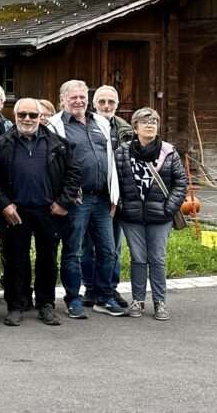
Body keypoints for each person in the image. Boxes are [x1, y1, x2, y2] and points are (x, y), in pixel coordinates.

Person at [0, 98, 81, 326]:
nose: (27, 119)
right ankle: (15, 305)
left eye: (33, 115)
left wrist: (63, 203)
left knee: (48, 260)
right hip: (16, 211)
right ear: (15, 116)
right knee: (15, 260)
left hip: (48, 211)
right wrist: (4, 204)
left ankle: (46, 305)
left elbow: (73, 175)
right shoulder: (2, 143)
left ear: (41, 116)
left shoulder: (58, 144)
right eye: (22, 114)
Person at [47, 80, 124, 318]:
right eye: (73, 97)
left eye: (82, 96)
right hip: (76, 200)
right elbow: (52, 166)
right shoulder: (54, 126)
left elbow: (110, 160)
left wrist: (114, 195)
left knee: (108, 250)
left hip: (102, 198)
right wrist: (63, 197)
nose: (79, 101)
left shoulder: (100, 122)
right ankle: (73, 299)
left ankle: (104, 296)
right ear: (63, 100)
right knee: (73, 251)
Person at [115, 107, 187, 321]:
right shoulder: (122, 151)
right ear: (135, 127)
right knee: (138, 259)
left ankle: (160, 302)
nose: (150, 125)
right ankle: (137, 300)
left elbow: (180, 183)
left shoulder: (168, 152)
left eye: (154, 122)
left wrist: (169, 208)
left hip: (160, 216)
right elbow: (115, 182)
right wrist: (122, 207)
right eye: (145, 122)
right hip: (132, 216)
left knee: (157, 259)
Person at [84, 85, 134, 309]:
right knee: (86, 247)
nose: (106, 106)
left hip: (116, 197)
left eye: (111, 102)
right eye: (102, 102)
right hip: (90, 194)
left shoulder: (125, 130)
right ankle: (90, 288)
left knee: (113, 247)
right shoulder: (87, 124)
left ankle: (110, 288)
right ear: (94, 104)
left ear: (117, 104)